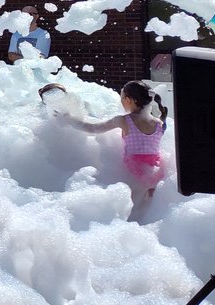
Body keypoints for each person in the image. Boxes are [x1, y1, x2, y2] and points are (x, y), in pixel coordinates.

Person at [53, 81, 169, 219]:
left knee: (131, 212)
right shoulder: (159, 123)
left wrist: (69, 120)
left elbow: (93, 129)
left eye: (122, 99)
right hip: (156, 172)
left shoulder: (124, 120)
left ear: (128, 100)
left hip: (134, 171)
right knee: (150, 212)